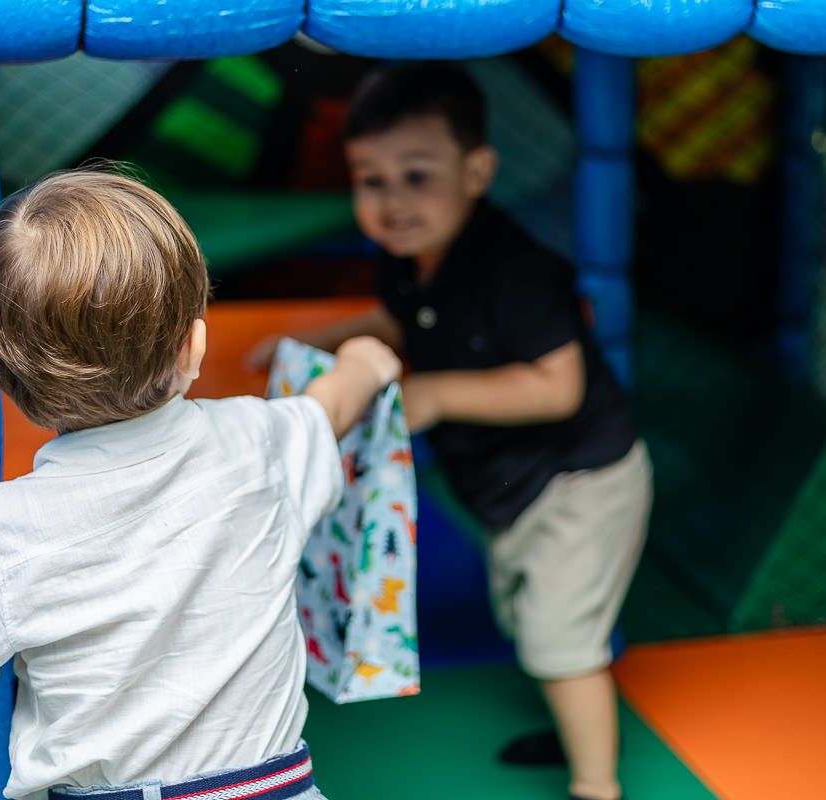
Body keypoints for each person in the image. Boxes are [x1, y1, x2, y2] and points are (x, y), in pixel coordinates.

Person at [0, 168, 400, 800]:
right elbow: (329, 409)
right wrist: (365, 362)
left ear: (4, 378)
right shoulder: (257, 443)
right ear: (194, 348)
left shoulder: (1, 529)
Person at [248, 63, 652, 800]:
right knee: (530, 617)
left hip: (582, 478)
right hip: (515, 487)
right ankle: (575, 721)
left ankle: (597, 784)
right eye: (372, 180)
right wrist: (325, 336)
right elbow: (399, 323)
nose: (393, 201)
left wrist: (432, 394)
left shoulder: (515, 269)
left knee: (558, 636)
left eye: (416, 176)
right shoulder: (410, 261)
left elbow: (558, 385)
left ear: (477, 172)